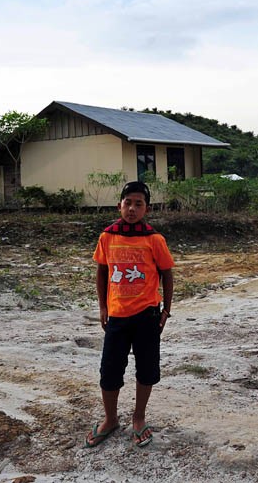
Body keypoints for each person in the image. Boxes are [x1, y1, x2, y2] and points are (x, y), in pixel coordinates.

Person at [85, 181, 175, 448]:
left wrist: (166, 310)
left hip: (147, 315)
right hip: (117, 316)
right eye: (128, 203)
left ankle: (138, 418)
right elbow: (102, 271)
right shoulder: (107, 236)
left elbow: (167, 275)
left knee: (146, 369)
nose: (132, 208)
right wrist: (103, 306)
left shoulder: (154, 239)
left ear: (146, 208)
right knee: (109, 370)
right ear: (119, 206)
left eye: (139, 203)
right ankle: (110, 419)